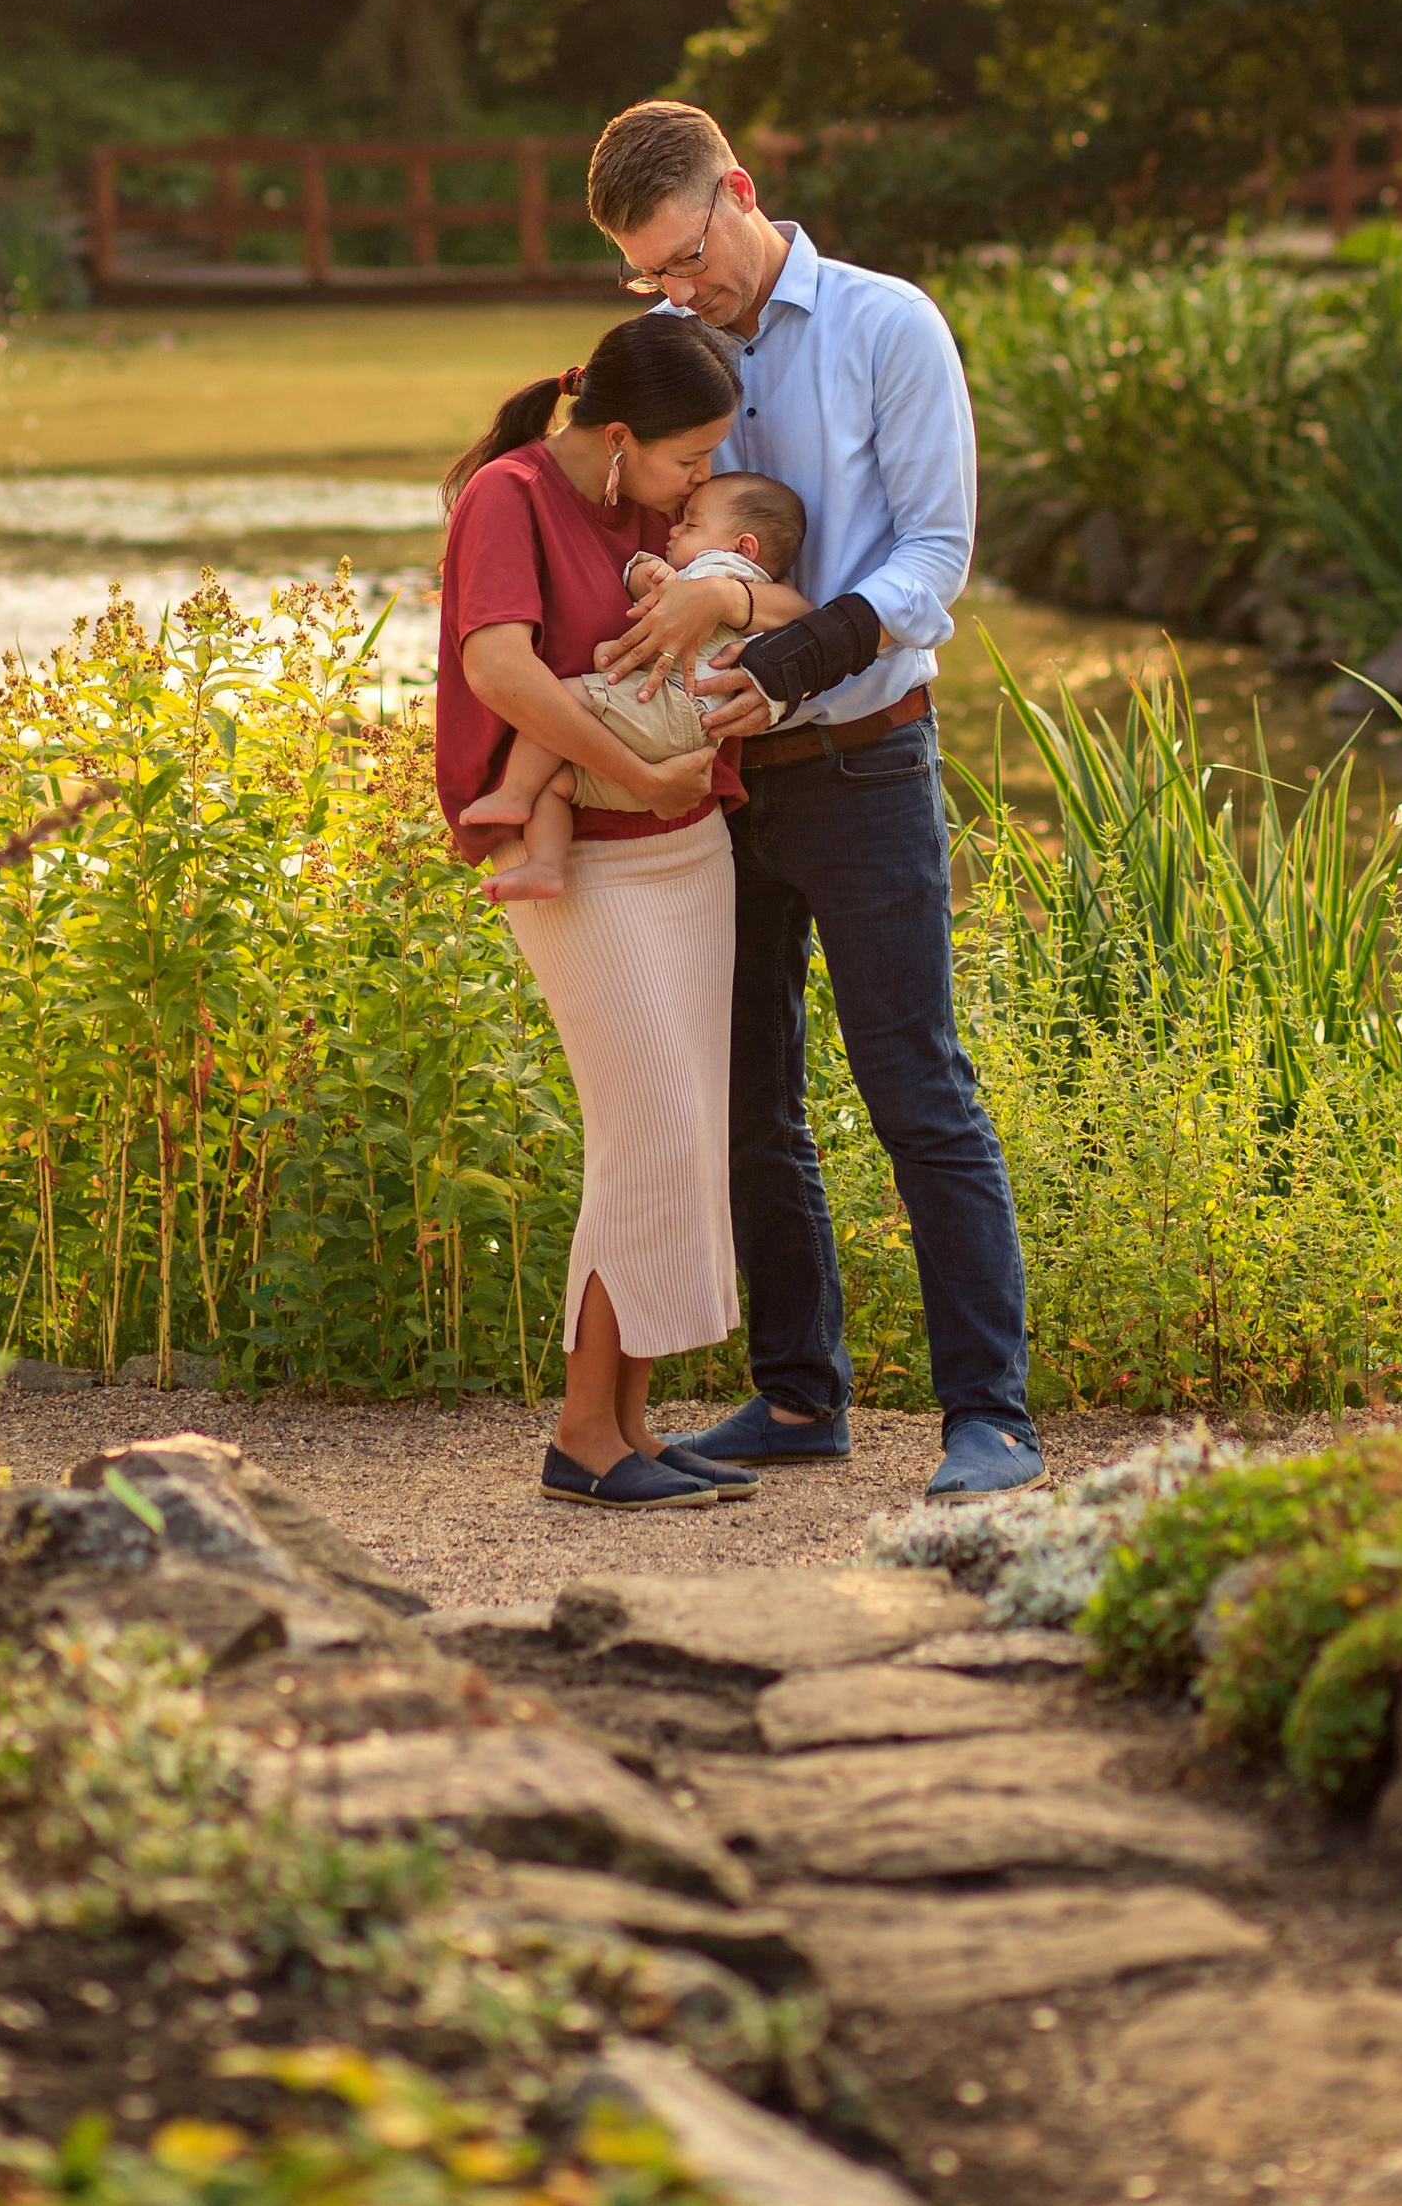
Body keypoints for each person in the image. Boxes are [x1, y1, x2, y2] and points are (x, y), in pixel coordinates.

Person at [580, 96, 1044, 1502]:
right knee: (744, 1102)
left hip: (859, 757)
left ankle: (992, 1416)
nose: (678, 294)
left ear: (740, 189)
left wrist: (786, 653)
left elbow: (935, 558)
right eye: (647, 278)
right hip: (712, 784)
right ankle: (797, 1398)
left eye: (684, 260)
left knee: (917, 1087)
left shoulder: (888, 325)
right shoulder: (676, 348)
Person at [432, 308, 764, 1510]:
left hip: (690, 845)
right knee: (653, 1122)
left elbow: (748, 598)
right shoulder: (509, 497)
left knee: (674, 1134)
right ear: (618, 435)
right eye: (687, 460)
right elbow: (498, 670)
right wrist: (627, 772)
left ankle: (623, 1424)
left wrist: (724, 600)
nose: (702, 482)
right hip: (579, 858)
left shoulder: (646, 513)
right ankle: (582, 1431)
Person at [461, 469, 809, 900]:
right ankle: (545, 867)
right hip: (691, 737)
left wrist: (648, 573)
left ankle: (513, 793)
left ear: (744, 547)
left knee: (564, 698)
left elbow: (673, 593)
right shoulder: (759, 592)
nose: (675, 528)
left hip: (672, 707)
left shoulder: (723, 569)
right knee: (560, 783)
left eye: (691, 524)